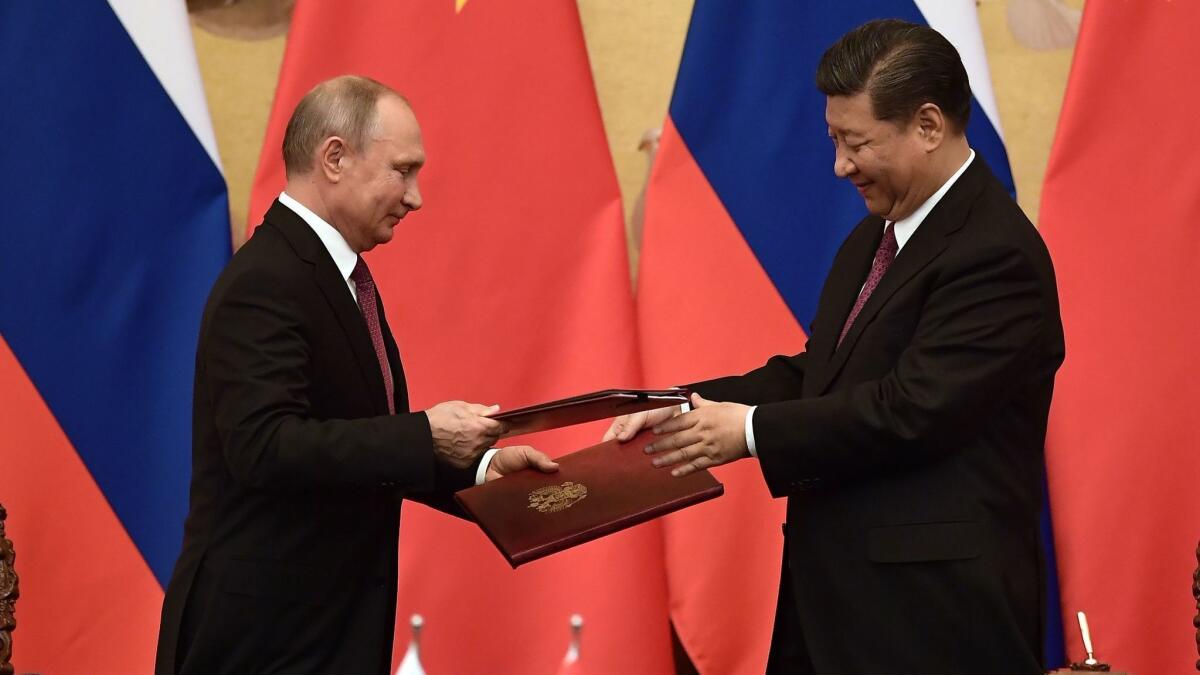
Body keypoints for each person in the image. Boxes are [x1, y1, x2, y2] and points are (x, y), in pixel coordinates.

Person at [606, 19, 1064, 674]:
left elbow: (913, 409)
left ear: (928, 126)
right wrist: (689, 407)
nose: (839, 165)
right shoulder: (872, 238)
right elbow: (820, 373)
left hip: (933, 624)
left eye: (856, 142)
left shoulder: (996, 253)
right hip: (832, 612)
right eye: (834, 139)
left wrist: (752, 430)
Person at [155, 75, 557, 675]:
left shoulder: (337, 276)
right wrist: (425, 435)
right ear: (335, 158)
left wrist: (480, 471)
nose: (416, 196)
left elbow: (363, 444)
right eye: (403, 169)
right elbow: (264, 447)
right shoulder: (266, 280)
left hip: (329, 636)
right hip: (262, 644)